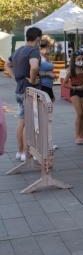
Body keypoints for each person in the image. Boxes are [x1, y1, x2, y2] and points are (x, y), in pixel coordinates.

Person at [7, 27, 42, 162]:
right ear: (38, 38)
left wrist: (15, 77)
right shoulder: (34, 51)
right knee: (29, 123)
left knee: (22, 122)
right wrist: (33, 80)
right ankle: (26, 152)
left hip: (20, 90)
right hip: (30, 91)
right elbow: (34, 66)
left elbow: (7, 65)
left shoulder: (18, 50)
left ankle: (20, 151)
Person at [63, 50, 83, 145]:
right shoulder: (71, 70)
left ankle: (81, 134)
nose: (80, 61)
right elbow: (64, 84)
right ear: (74, 60)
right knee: (79, 113)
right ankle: (77, 136)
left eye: (82, 59)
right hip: (74, 92)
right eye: (78, 59)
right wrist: (75, 87)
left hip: (82, 91)